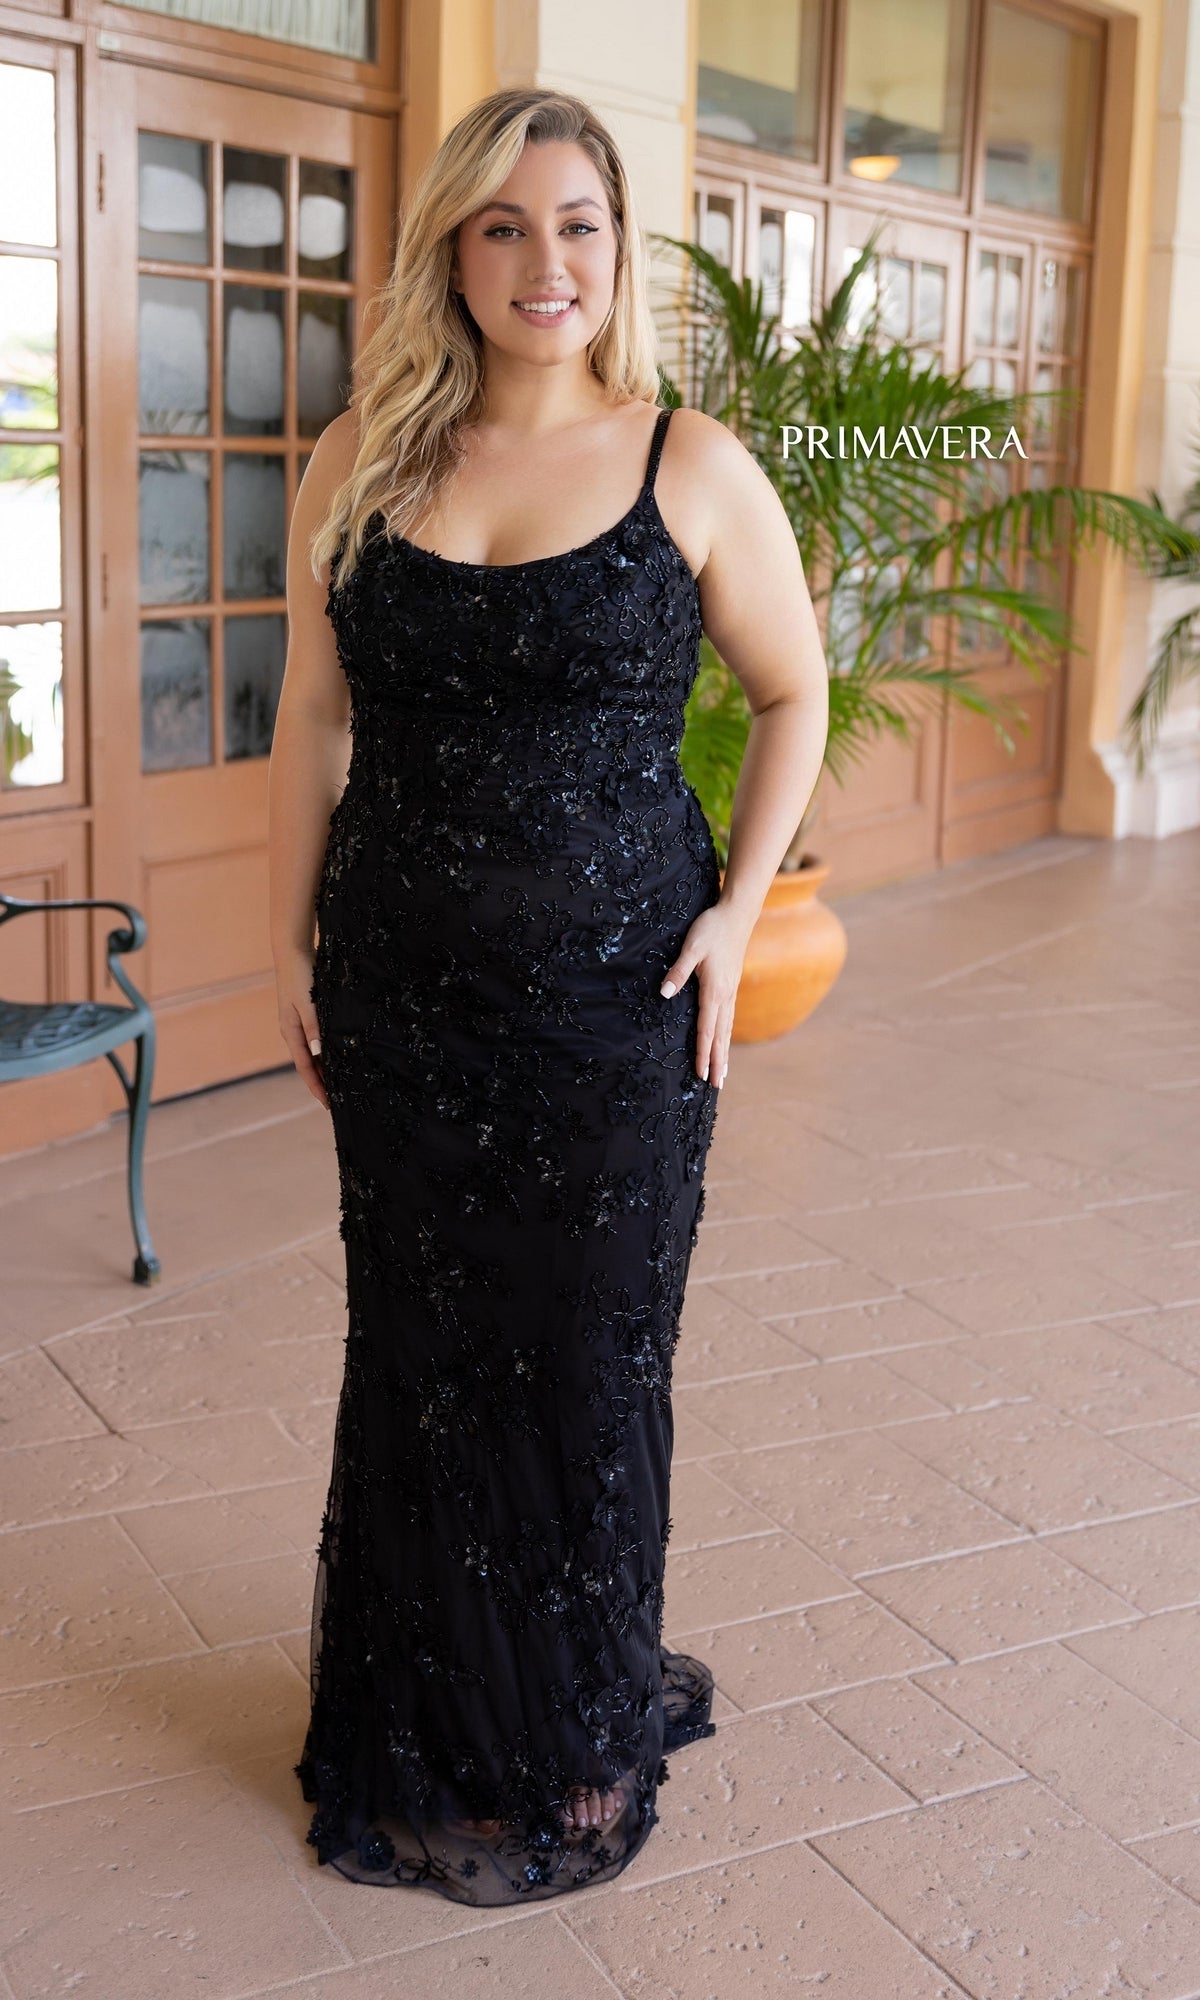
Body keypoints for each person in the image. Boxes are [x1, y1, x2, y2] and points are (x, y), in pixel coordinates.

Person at [268, 84, 828, 1907]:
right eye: (505, 225)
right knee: (424, 1369)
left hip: (617, 1012)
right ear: (454, 246)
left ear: (618, 248)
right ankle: (420, 1736)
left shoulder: (691, 463)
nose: (545, 261)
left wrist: (744, 914)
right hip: (407, 1002)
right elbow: (312, 719)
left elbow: (797, 694)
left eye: (578, 222)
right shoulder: (362, 456)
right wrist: (289, 946)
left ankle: (568, 1747)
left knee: (586, 1369)